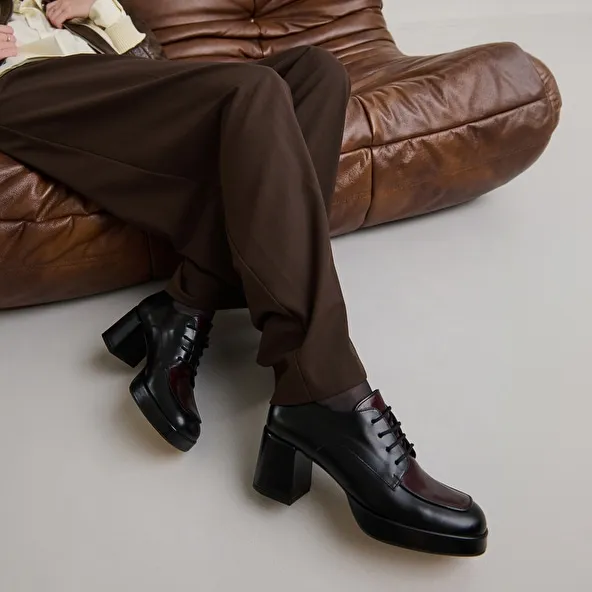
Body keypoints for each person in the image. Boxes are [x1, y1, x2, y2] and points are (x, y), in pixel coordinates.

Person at [0, 0, 488, 556]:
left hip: (108, 75)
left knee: (316, 74)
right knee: (250, 91)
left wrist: (99, 11)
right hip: (23, 85)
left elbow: (145, 55)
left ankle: (186, 304)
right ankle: (321, 390)